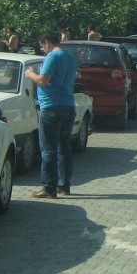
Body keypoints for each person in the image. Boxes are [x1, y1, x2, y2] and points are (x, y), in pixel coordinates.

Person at [25, 32, 78, 198]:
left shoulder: (52, 56)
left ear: (47, 42)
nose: (43, 49)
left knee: (48, 149)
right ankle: (64, 185)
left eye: (42, 46)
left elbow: (43, 80)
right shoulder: (70, 57)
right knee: (64, 148)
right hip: (68, 105)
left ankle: (49, 187)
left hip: (52, 106)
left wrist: (31, 74)